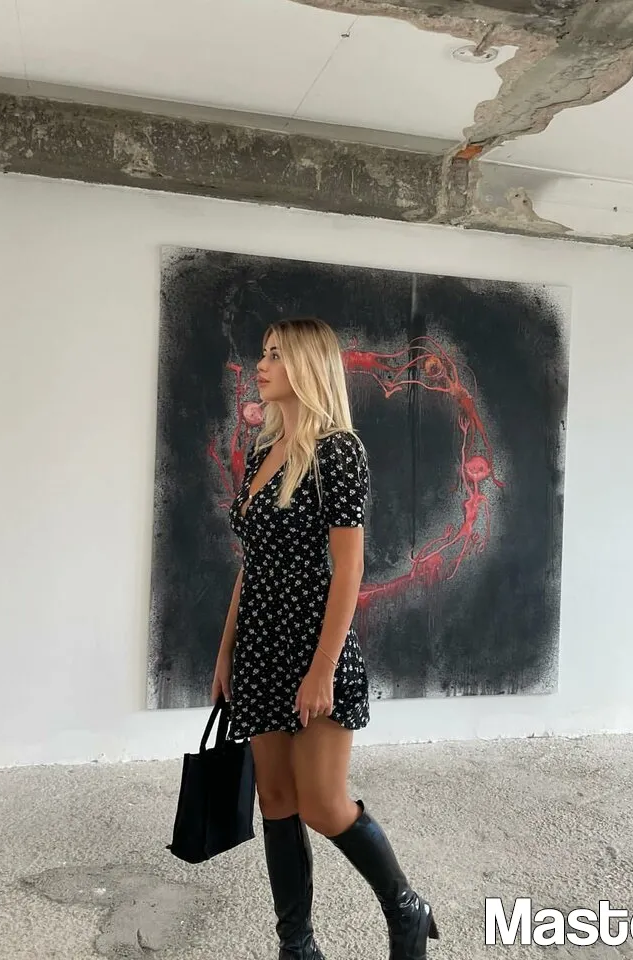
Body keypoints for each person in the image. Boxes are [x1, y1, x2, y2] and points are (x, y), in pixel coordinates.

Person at [211, 317, 439, 960]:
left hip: (313, 645)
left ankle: (406, 909)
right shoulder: (264, 450)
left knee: (322, 804)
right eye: (262, 353)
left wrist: (322, 670)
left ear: (308, 367)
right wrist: (226, 651)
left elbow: (350, 569)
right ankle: (297, 947)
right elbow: (252, 564)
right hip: (259, 645)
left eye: (276, 355)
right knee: (276, 801)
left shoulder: (339, 451)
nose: (262, 365)